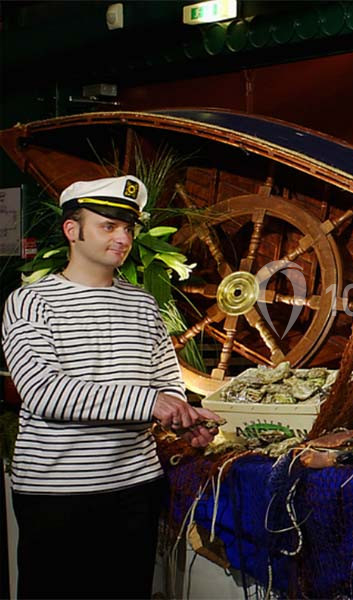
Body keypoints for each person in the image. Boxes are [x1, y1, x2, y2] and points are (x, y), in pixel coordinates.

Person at [1, 175, 221, 599]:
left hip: (135, 489)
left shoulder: (142, 303)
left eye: (128, 228)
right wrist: (152, 403)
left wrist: (183, 420)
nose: (123, 237)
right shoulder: (31, 302)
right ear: (72, 230)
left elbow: (166, 388)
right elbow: (44, 392)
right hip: (57, 494)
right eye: (108, 225)